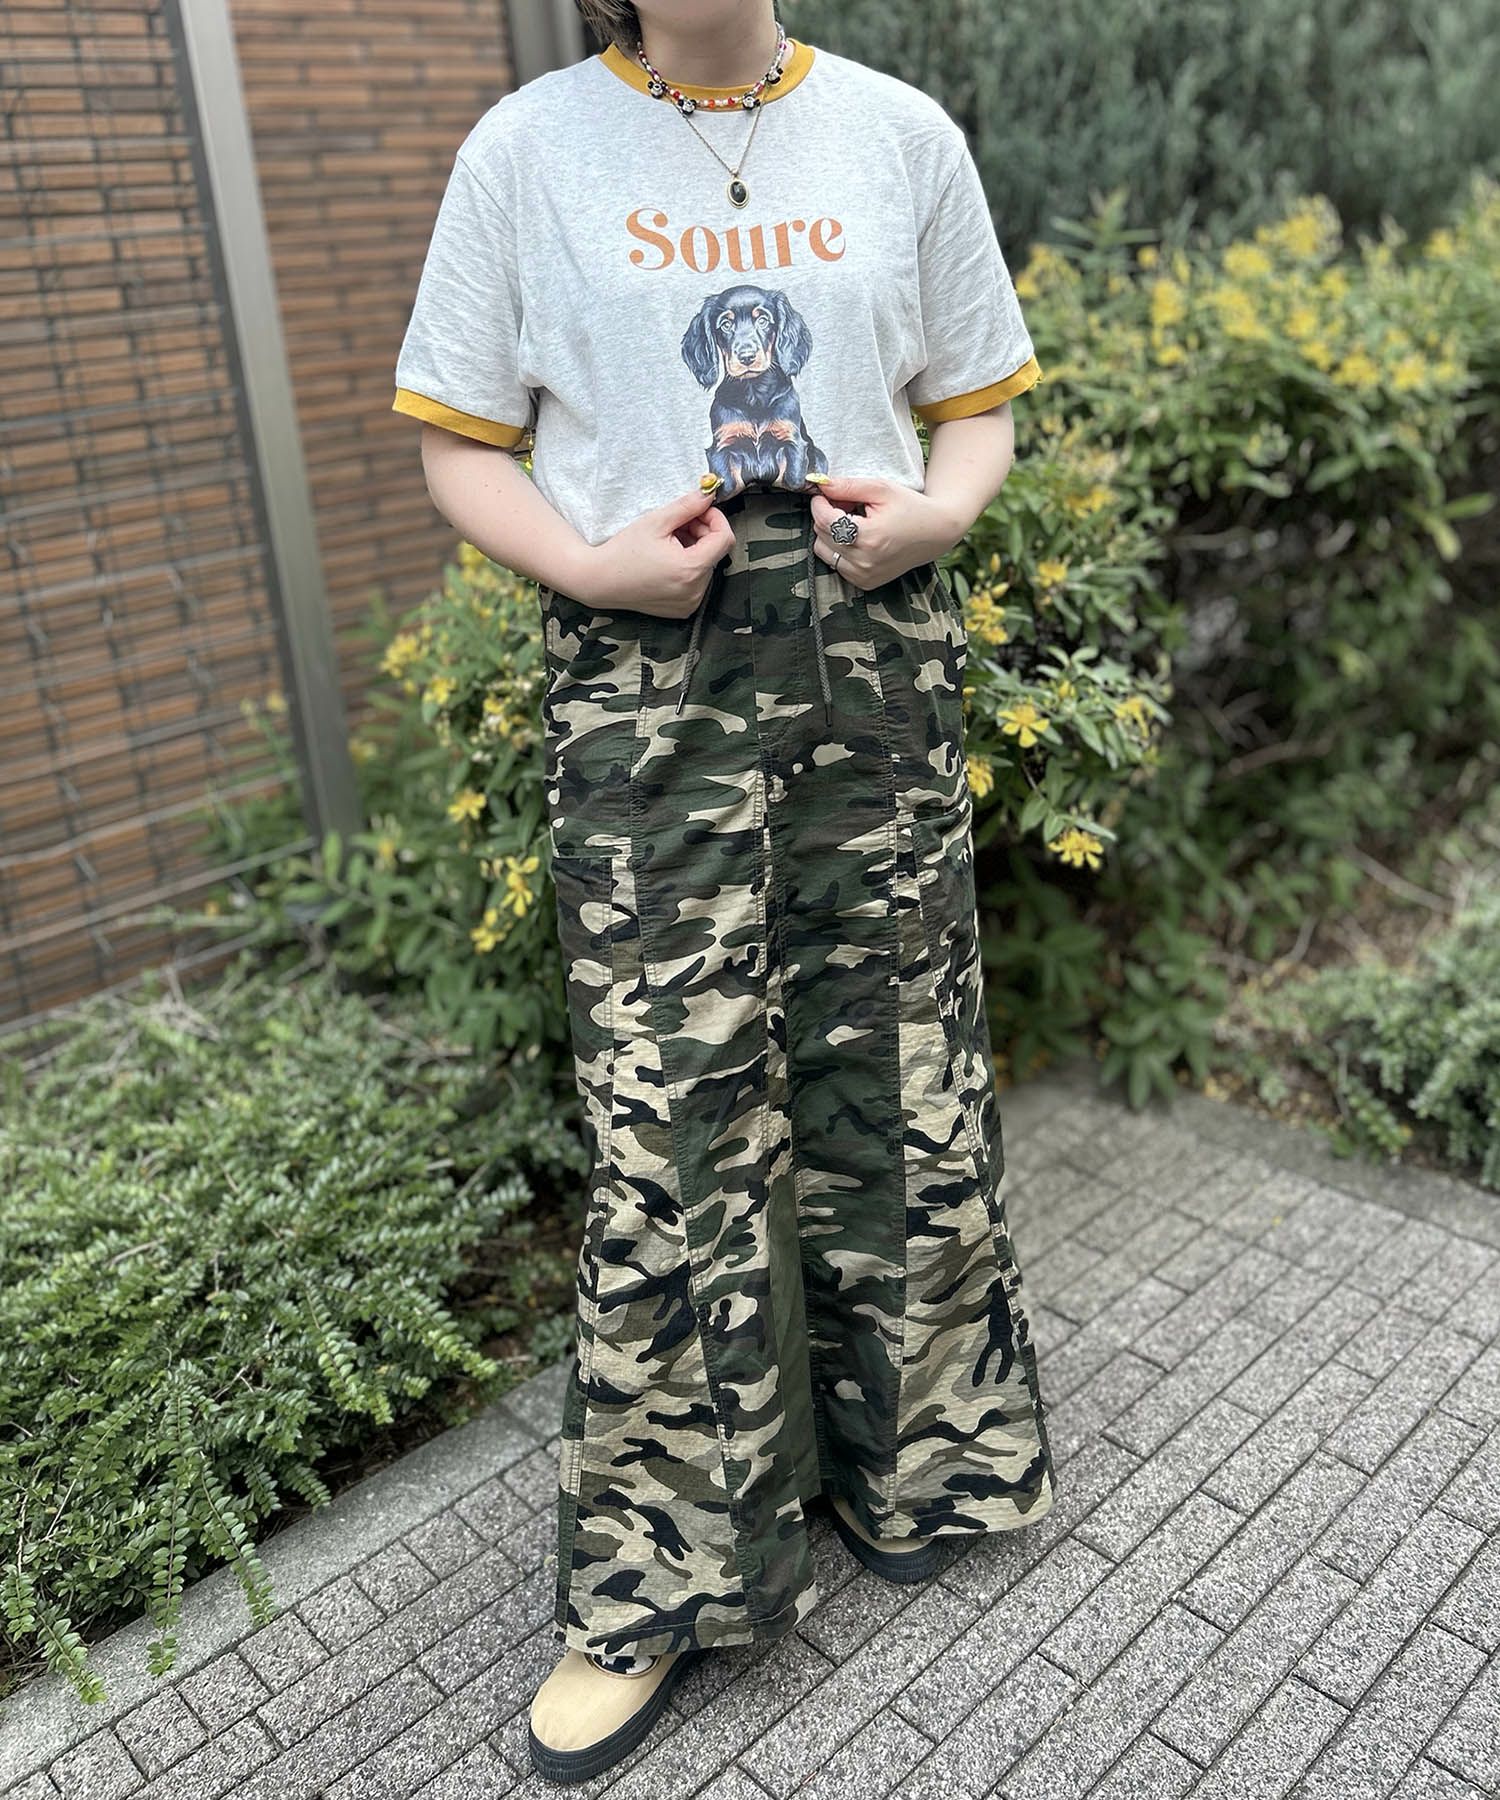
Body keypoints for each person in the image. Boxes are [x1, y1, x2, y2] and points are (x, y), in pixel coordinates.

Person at [390, 0, 1057, 1782]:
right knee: (670, 1109)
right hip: (646, 675)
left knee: (895, 1066)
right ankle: (664, 1579)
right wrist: (586, 563)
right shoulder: (527, 150)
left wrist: (942, 517)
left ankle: (918, 1463)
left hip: (873, 665)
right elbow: (459, 445)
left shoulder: (898, 132)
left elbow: (975, 410)